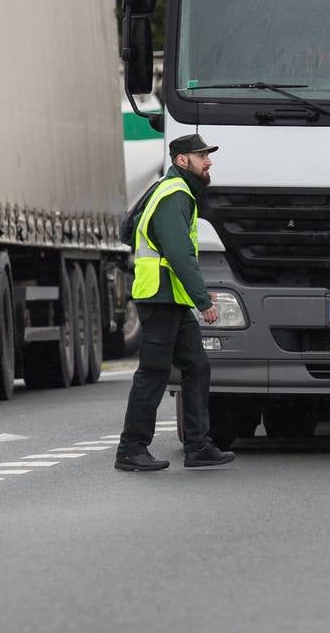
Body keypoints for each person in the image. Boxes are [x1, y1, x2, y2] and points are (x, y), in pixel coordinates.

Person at [115, 134, 235, 472]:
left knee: (197, 366)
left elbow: (128, 231)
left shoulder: (168, 190)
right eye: (202, 156)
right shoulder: (174, 195)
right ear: (182, 160)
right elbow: (179, 254)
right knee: (153, 372)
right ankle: (131, 449)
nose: (208, 162)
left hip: (171, 298)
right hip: (160, 297)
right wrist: (203, 300)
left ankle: (198, 446)